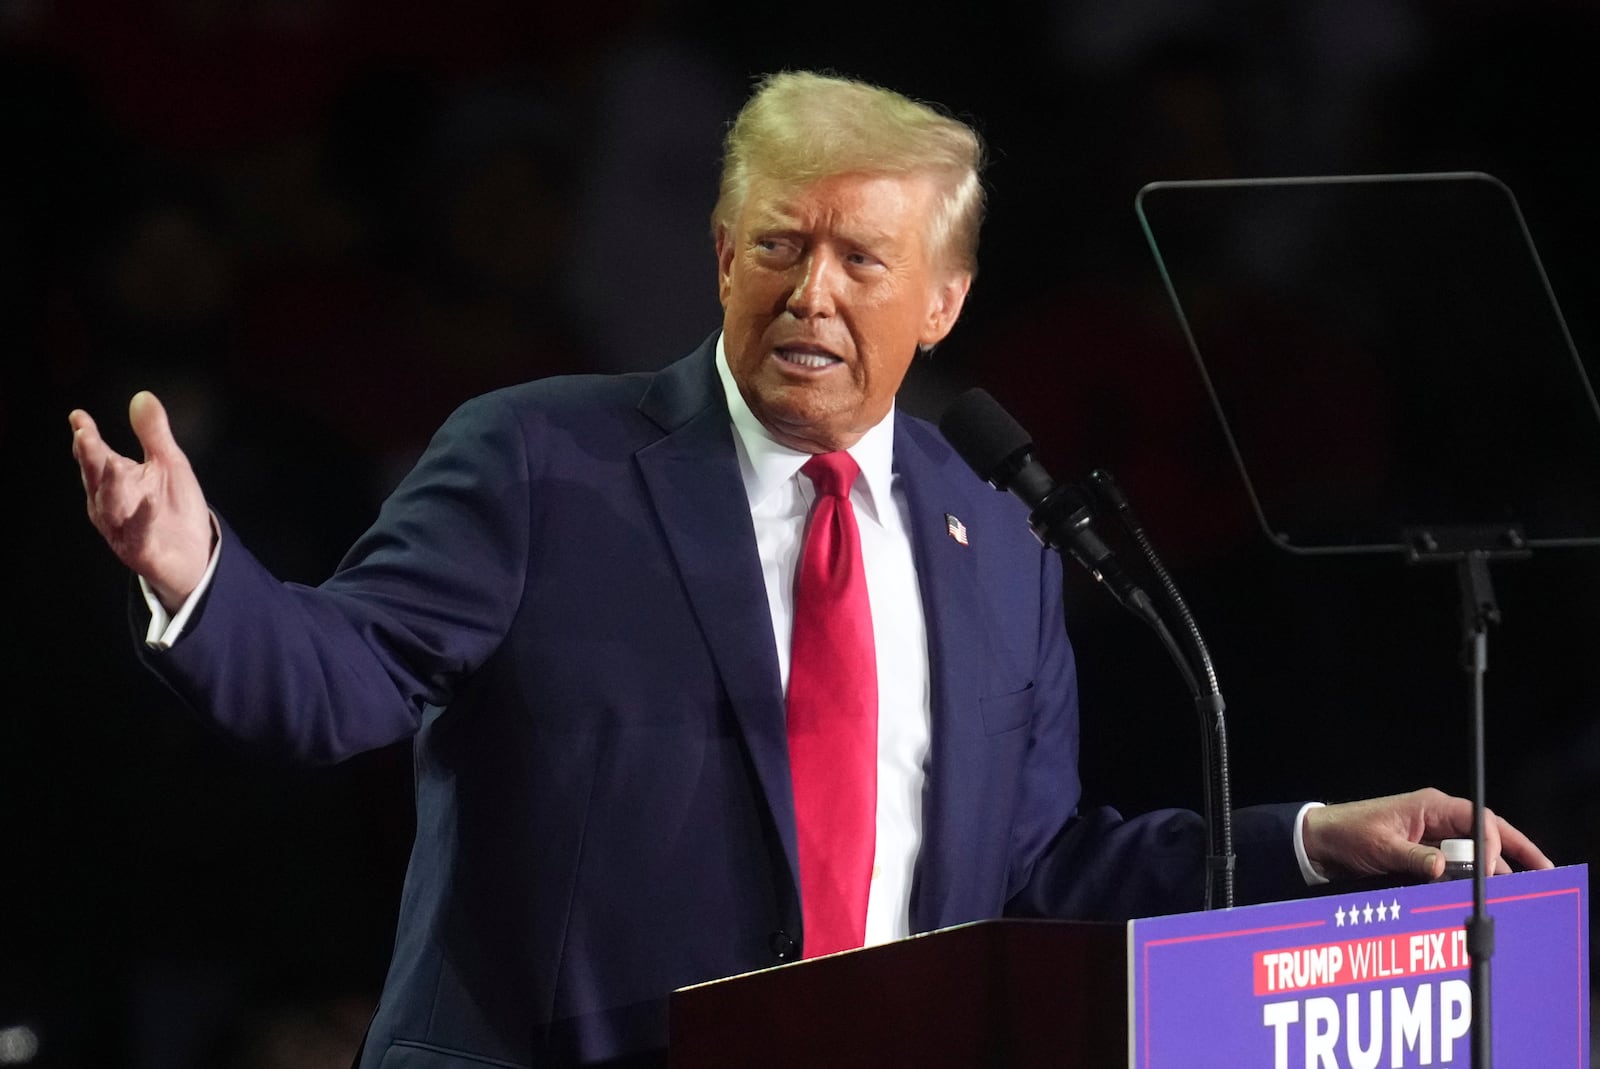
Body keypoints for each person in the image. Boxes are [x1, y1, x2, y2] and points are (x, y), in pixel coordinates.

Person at [69, 71, 1551, 1068]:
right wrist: (202, 575)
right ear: (719, 254)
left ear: (945, 299)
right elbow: (337, 683)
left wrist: (1305, 839)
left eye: (861, 257)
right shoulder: (542, 462)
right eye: (779, 243)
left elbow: (1032, 870)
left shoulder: (999, 539)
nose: (811, 290)